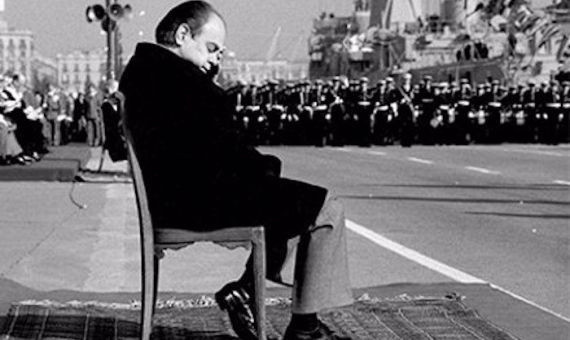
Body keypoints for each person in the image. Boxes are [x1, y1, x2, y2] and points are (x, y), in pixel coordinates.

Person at [119, 2, 352, 340]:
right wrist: (266, 168)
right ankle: (304, 327)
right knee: (324, 206)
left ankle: (246, 291)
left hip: (177, 194)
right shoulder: (182, 82)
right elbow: (226, 151)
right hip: (195, 199)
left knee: (291, 201)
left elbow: (211, 148)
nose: (215, 59)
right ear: (183, 34)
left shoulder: (147, 71)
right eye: (211, 48)